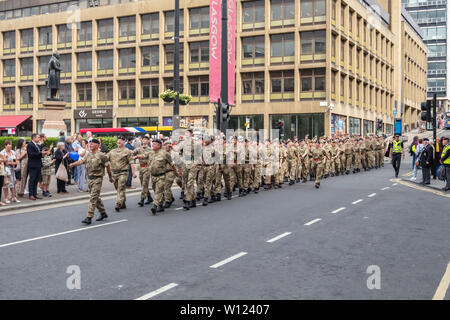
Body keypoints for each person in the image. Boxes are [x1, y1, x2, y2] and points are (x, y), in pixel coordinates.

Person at [70, 139, 113, 225]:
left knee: (93, 197)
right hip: (89, 179)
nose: (90, 145)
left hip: (98, 178)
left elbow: (108, 166)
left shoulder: (102, 155)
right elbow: (81, 161)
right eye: (90, 144)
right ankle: (103, 213)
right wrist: (72, 164)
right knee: (96, 197)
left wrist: (110, 177)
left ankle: (89, 217)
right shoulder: (88, 155)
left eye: (92, 144)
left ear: (98, 145)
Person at [148, 139, 177, 214]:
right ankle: (160, 206)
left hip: (161, 176)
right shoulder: (151, 153)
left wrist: (176, 173)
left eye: (154, 144)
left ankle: (155, 206)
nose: (153, 145)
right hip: (153, 176)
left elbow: (172, 164)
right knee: (155, 190)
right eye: (152, 144)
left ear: (159, 145)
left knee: (159, 191)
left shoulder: (165, 154)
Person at [107, 136, 136, 212]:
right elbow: (105, 159)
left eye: (121, 140)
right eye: (118, 140)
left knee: (120, 188)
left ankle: (118, 204)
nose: (119, 141)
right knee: (119, 189)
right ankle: (123, 203)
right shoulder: (112, 151)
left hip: (123, 173)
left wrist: (133, 173)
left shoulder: (127, 151)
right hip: (114, 173)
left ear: (124, 142)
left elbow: (131, 162)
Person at [133, 135, 153, 206]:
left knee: (144, 184)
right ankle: (149, 197)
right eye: (143, 139)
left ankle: (142, 199)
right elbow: (132, 152)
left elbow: (144, 155)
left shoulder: (150, 149)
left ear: (148, 141)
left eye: (145, 139)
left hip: (147, 168)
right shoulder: (139, 149)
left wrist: (136, 156)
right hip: (141, 168)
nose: (144, 140)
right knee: (143, 184)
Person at [27, 133, 49, 200]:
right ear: (34, 138)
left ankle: (35, 193)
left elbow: (40, 154)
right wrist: (40, 153)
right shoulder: (30, 145)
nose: (39, 138)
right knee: (32, 180)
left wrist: (44, 153)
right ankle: (31, 194)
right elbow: (31, 154)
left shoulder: (38, 145)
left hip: (38, 164)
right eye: (38, 137)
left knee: (36, 180)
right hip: (33, 164)